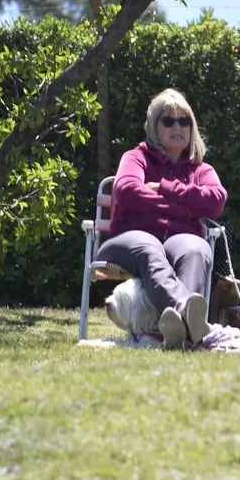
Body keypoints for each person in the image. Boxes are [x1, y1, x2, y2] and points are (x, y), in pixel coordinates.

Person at [96, 88, 227, 349]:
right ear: (154, 127)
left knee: (195, 249)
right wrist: (186, 209)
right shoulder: (136, 158)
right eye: (168, 120)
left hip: (180, 239)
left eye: (184, 121)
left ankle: (177, 333)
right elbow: (127, 191)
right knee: (149, 247)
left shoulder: (201, 169)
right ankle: (187, 316)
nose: (177, 127)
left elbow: (216, 201)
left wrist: (165, 188)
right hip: (129, 241)